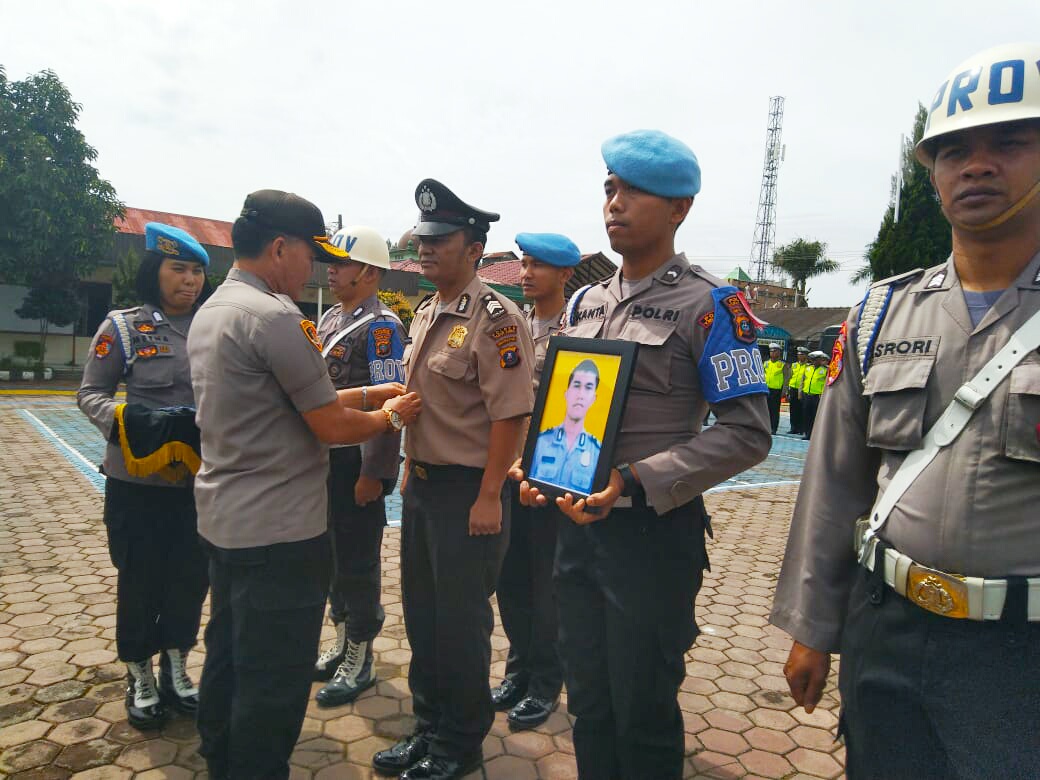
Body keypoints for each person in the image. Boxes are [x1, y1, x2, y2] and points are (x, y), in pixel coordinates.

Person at [771, 42, 1040, 780]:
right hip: (885, 625)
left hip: (1022, 655)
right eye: (953, 150)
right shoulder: (880, 312)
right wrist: (813, 630)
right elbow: (833, 483)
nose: (976, 165)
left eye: (1009, 143)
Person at [516, 129, 772, 779]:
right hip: (575, 530)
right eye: (609, 188)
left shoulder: (711, 303)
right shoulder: (585, 301)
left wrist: (633, 480)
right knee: (590, 703)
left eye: (634, 191)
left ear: (679, 208)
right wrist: (535, 463)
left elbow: (747, 432)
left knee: (644, 708)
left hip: (651, 539)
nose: (615, 202)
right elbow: (562, 405)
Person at [188, 190, 421, 780]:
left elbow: (289, 401)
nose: (320, 269)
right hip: (280, 528)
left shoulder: (217, 307)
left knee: (229, 652)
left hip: (228, 519)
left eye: (336, 262)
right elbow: (325, 422)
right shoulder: (276, 316)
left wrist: (371, 400)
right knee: (272, 675)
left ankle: (221, 755)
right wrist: (391, 417)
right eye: (313, 257)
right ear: (278, 247)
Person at [372, 179, 535, 780]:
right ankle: (429, 726)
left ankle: (460, 745)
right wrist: (413, 468)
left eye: (442, 240)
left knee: (461, 624)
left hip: (472, 493)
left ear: (474, 248)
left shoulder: (497, 319)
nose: (427, 249)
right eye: (424, 239)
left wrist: (491, 493)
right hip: (426, 488)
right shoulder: (427, 310)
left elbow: (510, 412)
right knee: (423, 616)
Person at [78, 222, 212, 730]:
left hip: (197, 484)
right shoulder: (124, 327)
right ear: (154, 271)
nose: (190, 280)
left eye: (197, 271)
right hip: (137, 484)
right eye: (179, 269)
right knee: (140, 579)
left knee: (190, 578)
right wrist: (131, 421)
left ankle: (177, 665)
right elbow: (90, 394)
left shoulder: (210, 326)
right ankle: (139, 673)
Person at [312, 225, 407, 707]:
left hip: (357, 461)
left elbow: (392, 408)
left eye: (341, 263)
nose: (331, 269)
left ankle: (361, 654)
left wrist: (376, 472)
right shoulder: (330, 318)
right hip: (325, 459)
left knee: (357, 560)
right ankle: (341, 639)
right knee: (330, 557)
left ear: (368, 272)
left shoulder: (382, 326)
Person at [492, 232, 579, 730]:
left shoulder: (576, 332)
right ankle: (517, 670)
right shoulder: (514, 326)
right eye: (524, 264)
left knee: (546, 586)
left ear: (565, 274)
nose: (526, 273)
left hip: (548, 477)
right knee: (511, 578)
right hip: (506, 471)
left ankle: (546, 683)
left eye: (538, 266)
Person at [528, 359, 603, 495]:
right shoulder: (540, 443)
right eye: (576, 385)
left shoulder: (598, 453)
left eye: (588, 387)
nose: (580, 395)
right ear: (566, 393)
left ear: (594, 398)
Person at [799, 350, 828, 440]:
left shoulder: (825, 370)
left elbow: (826, 384)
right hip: (807, 395)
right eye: (813, 360)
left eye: (817, 359)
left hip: (817, 396)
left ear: (820, 359)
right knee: (806, 415)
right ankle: (807, 433)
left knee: (815, 416)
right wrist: (800, 393)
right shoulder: (807, 368)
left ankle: (814, 434)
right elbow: (802, 382)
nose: (814, 361)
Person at [763, 342, 787, 434]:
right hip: (766, 389)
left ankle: (773, 428)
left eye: (775, 351)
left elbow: (786, 379)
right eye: (771, 351)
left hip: (776, 390)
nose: (773, 353)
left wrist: (784, 391)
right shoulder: (766, 363)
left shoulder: (782, 364)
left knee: (774, 410)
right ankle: (766, 426)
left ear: (779, 353)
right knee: (766, 410)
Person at [787, 345, 809, 434]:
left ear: (806, 355)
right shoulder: (794, 365)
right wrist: (788, 389)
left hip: (802, 390)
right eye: (798, 354)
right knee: (793, 409)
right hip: (793, 388)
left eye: (802, 354)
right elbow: (790, 376)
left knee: (801, 409)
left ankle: (801, 428)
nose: (799, 356)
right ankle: (793, 427)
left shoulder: (808, 366)